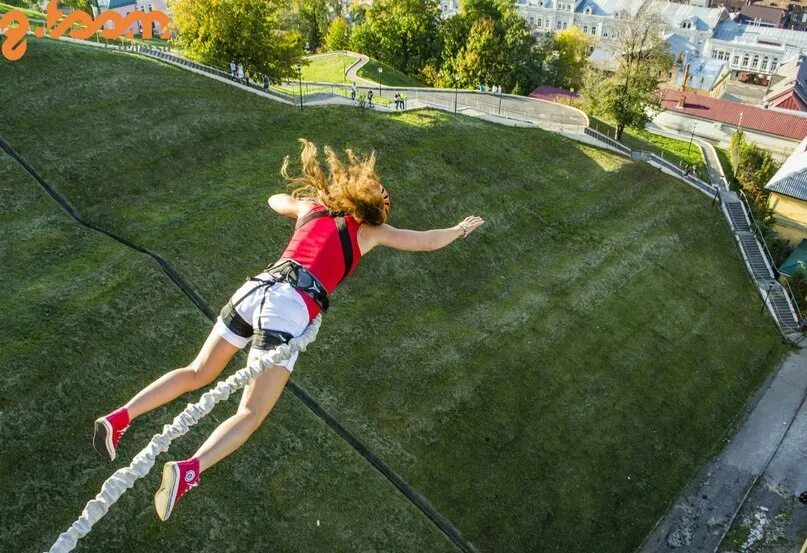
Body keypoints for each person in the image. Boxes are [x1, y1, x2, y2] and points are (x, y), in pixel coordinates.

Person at [91, 140, 484, 521]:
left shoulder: (313, 208)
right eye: (385, 200)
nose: (386, 203)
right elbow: (425, 241)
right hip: (291, 305)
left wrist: (308, 204)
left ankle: (120, 418)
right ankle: (189, 469)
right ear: (372, 208)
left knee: (198, 372)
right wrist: (460, 230)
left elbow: (274, 200)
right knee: (250, 411)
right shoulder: (369, 232)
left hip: (255, 288)